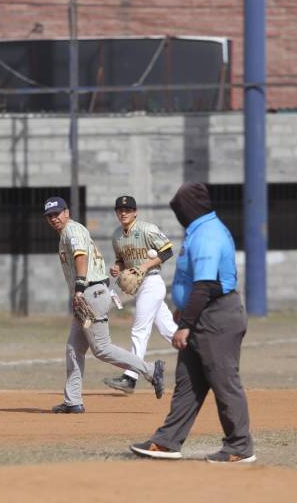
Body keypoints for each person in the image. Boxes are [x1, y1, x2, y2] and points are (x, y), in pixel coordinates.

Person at [129, 183, 255, 463]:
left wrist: (185, 324)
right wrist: (182, 310)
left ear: (190, 208)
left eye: (180, 208)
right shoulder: (198, 229)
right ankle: (167, 441)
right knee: (188, 383)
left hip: (216, 316)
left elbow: (205, 284)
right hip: (201, 312)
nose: (178, 214)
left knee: (224, 381)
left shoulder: (208, 233)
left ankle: (239, 446)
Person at [43, 196, 165, 413]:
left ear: (67, 213)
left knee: (101, 348)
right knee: (74, 349)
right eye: (50, 215)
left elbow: (81, 257)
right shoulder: (67, 233)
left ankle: (150, 370)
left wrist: (79, 288)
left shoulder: (72, 230)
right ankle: (73, 401)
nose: (54, 218)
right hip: (87, 294)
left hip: (90, 293)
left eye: (57, 213)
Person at [103, 195, 177, 394]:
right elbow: (121, 260)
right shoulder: (117, 235)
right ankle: (203, 358)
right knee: (170, 331)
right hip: (140, 286)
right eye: (120, 210)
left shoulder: (147, 229)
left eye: (128, 210)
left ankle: (130, 377)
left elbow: (167, 251)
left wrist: (144, 266)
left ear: (135, 212)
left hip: (152, 282)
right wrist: (117, 268)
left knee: (139, 330)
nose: (124, 213)